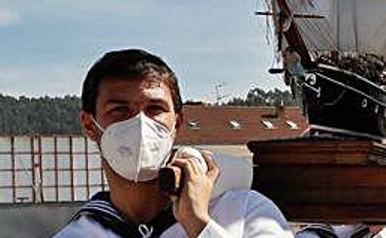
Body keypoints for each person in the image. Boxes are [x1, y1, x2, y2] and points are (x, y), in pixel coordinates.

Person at [54, 49, 292, 238]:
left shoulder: (244, 212)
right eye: (119, 110)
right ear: (89, 125)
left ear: (177, 123)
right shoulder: (77, 233)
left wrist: (199, 224)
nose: (140, 124)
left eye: (155, 109)